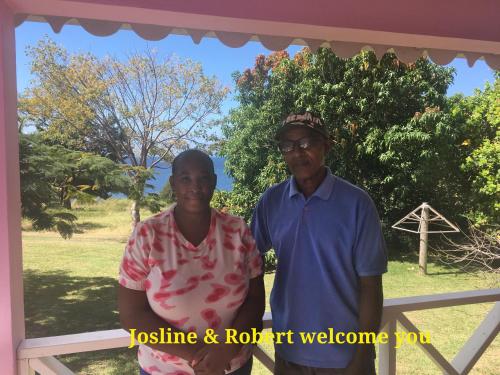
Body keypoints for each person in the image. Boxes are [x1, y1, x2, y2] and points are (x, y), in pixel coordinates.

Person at [251, 112, 387, 374]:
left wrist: (362, 355)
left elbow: (371, 285)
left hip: (346, 358)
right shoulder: (272, 201)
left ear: (326, 145)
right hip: (289, 353)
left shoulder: (357, 204)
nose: (297, 153)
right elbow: (247, 258)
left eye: (306, 143)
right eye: (288, 146)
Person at [118, 149, 265, 375]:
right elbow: (132, 315)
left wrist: (227, 349)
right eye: (185, 178)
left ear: (214, 182)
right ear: (173, 183)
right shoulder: (147, 234)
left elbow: (255, 300)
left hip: (232, 366)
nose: (195, 187)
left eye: (203, 178)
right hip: (163, 369)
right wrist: (201, 357)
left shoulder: (237, 230)